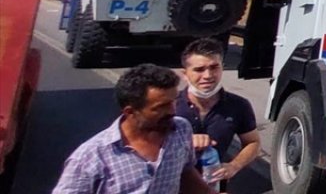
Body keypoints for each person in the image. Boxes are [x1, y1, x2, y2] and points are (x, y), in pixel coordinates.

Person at [52, 63, 213, 194]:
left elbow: (185, 172)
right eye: (161, 107)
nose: (172, 111)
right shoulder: (90, 158)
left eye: (173, 101)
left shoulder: (181, 129)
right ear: (130, 112)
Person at [175, 38, 261, 191]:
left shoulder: (239, 105)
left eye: (214, 67)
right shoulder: (170, 105)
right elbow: (143, 144)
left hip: (212, 185)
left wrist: (234, 166)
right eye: (199, 69)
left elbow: (252, 142)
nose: (208, 75)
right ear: (185, 74)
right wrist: (185, 141)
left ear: (222, 68)